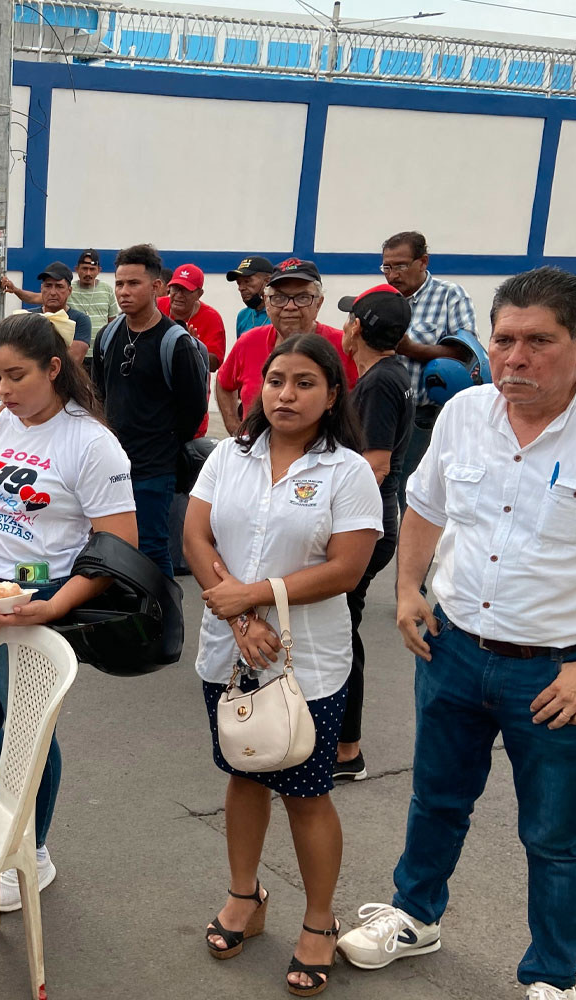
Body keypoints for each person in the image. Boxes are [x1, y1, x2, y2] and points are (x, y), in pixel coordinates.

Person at [336, 268, 576, 1000]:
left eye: (539, 341)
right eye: (504, 340)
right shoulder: (467, 412)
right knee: (436, 799)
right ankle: (416, 916)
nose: (515, 359)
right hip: (453, 650)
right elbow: (424, 507)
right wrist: (409, 590)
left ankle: (552, 977)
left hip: (561, 673)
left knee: (555, 835)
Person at [183, 333, 381, 997]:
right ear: (255, 389)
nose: (285, 395)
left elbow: (347, 568)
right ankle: (247, 895)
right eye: (275, 382)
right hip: (229, 654)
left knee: (305, 794)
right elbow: (197, 535)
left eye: (303, 383)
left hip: (307, 666)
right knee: (242, 776)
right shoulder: (228, 457)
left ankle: (319, 921)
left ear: (331, 395)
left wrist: (259, 597)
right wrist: (239, 618)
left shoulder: (347, 472)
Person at [0, 309, 138, 912]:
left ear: (55, 368)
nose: (3, 391)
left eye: (16, 376)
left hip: (41, 598)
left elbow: (118, 547)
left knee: (29, 735)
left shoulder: (90, 443)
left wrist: (52, 607)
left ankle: (30, 851)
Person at [334, 286, 415, 782]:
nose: (343, 326)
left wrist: (335, 523)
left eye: (348, 319)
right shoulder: (385, 376)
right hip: (373, 522)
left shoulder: (381, 382)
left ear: (358, 327)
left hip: (369, 525)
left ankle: (348, 751)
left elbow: (376, 465)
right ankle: (341, 744)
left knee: (340, 633)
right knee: (340, 628)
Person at [91, 244, 209, 578]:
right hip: (110, 464)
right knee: (110, 548)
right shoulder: (108, 335)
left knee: (153, 549)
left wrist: (164, 444)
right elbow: (97, 396)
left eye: (133, 284)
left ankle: (164, 623)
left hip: (155, 468)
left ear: (157, 287)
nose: (124, 292)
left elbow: (194, 409)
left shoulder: (176, 342)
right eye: (119, 283)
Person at [379, 231, 479, 513]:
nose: (392, 274)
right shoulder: (383, 299)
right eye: (387, 267)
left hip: (423, 414)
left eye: (400, 266)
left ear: (423, 262)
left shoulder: (450, 296)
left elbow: (465, 354)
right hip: (383, 410)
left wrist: (412, 349)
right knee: (379, 485)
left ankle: (414, 556)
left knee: (411, 491)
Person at [216, 259, 358, 437]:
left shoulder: (344, 345)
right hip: (255, 457)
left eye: (302, 298)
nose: (289, 307)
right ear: (267, 303)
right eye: (279, 298)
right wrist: (236, 429)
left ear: (319, 303)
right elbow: (223, 383)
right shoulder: (249, 341)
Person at [0, 261, 92, 364]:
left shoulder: (80, 320)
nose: (53, 292)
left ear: (69, 291)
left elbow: (73, 359)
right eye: (48, 286)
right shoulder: (27, 318)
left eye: (59, 286)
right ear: (41, 289)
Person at [157, 263, 227, 368]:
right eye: (175, 288)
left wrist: (194, 348)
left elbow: (214, 364)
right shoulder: (156, 306)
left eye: (186, 290)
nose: (179, 295)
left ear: (199, 294)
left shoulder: (212, 318)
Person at [68, 249, 118, 333]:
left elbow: (112, 323)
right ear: (77, 269)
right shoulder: (68, 290)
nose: (88, 273)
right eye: (84, 268)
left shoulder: (107, 290)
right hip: (75, 345)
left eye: (92, 269)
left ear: (99, 270)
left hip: (100, 345)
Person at [226, 255, 275, 340]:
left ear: (267, 281)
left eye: (247, 281)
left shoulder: (280, 314)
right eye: (239, 283)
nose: (241, 288)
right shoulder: (243, 315)